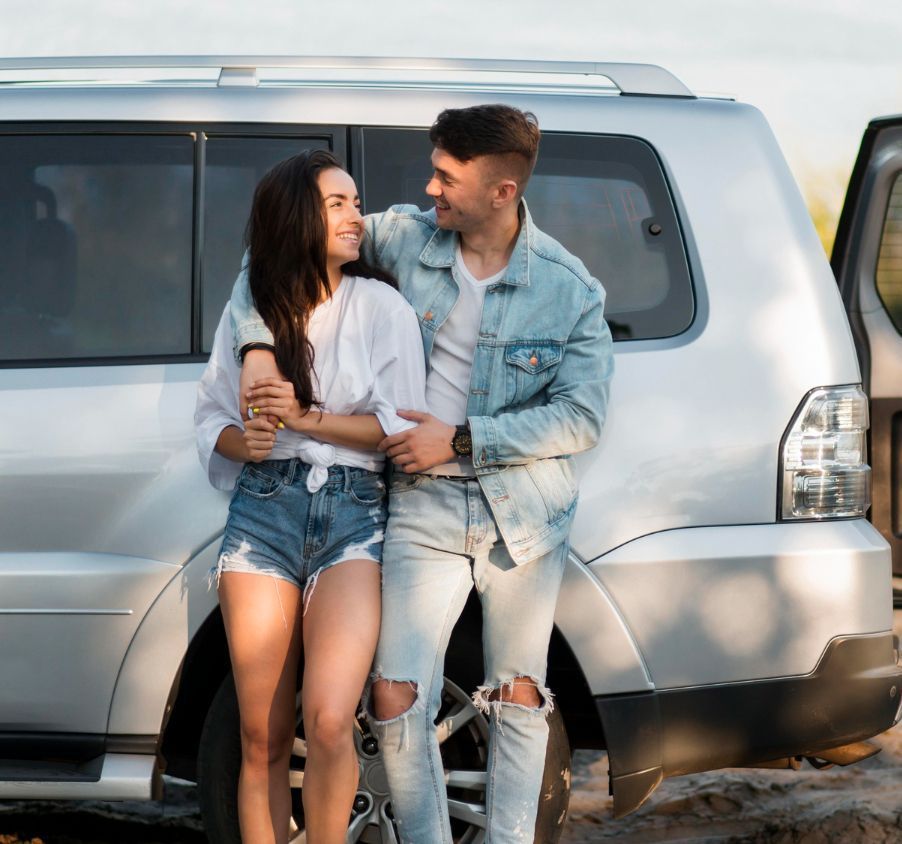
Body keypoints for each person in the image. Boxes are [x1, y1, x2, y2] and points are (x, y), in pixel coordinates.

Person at [230, 105, 614, 844]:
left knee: (517, 693)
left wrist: (464, 441)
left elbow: (581, 417)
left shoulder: (570, 288)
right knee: (397, 693)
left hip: (523, 509)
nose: (428, 187)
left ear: (501, 191)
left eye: (446, 175)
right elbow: (278, 249)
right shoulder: (404, 237)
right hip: (420, 502)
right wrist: (253, 345)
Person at [194, 149, 426, 844]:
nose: (357, 217)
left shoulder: (382, 306)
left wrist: (304, 419)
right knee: (261, 735)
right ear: (298, 216)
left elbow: (402, 428)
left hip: (353, 517)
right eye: (338, 204)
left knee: (328, 719)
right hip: (262, 513)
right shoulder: (253, 318)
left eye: (356, 203)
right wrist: (248, 442)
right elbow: (210, 420)